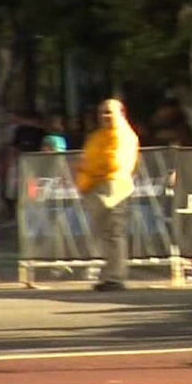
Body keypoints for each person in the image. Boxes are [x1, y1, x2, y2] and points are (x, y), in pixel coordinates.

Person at [75, 98, 140, 292]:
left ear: (121, 113)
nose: (105, 116)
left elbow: (113, 162)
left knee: (113, 233)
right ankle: (109, 274)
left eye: (109, 112)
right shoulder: (97, 136)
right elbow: (86, 159)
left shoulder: (123, 136)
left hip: (113, 186)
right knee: (105, 234)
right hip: (95, 186)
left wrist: (88, 170)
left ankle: (115, 277)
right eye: (102, 112)